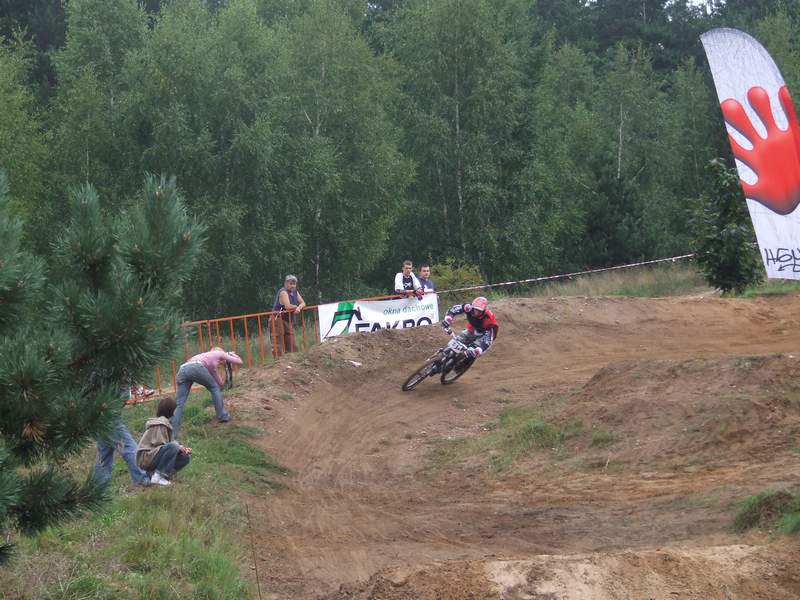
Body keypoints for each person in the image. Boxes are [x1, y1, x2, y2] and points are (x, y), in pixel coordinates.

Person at [171, 347, 243, 438]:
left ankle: (172, 434)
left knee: (179, 403)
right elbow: (239, 361)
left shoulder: (208, 362)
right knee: (214, 388)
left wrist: (223, 383)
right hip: (196, 367)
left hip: (182, 370)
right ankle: (222, 415)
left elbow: (219, 383)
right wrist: (231, 354)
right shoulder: (219, 353)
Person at [95, 387, 151, 487]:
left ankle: (99, 485)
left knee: (104, 454)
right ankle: (141, 478)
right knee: (129, 448)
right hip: (110, 417)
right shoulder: (118, 383)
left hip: (101, 416)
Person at [136, 397, 192, 487]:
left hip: (153, 456)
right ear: (170, 410)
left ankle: (158, 475)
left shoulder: (165, 423)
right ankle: (158, 476)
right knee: (174, 446)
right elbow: (160, 445)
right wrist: (177, 447)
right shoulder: (160, 424)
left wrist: (181, 449)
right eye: (175, 409)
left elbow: (166, 446)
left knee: (185, 457)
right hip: (146, 458)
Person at [441, 296, 499, 363]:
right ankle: (442, 355)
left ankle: (462, 364)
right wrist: (448, 319)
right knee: (457, 341)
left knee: (472, 353)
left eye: (479, 311)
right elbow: (454, 309)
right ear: (472, 307)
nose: (476, 313)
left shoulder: (489, 319)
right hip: (472, 329)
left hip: (483, 335)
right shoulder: (468, 307)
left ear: (484, 310)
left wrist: (479, 350)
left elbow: (488, 340)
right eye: (475, 309)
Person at [271, 274, 306, 356]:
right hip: (277, 319)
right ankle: (279, 362)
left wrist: (299, 307)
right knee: (278, 344)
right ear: (285, 283)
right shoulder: (283, 292)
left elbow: (303, 302)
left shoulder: (295, 292)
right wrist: (296, 307)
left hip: (287, 320)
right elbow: (288, 306)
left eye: (294, 284)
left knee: (291, 343)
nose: (293, 286)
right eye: (291, 283)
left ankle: (292, 359)